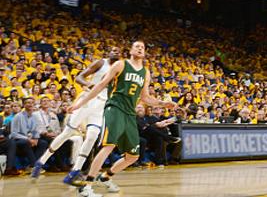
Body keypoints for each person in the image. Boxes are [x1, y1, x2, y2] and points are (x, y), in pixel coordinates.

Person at [68, 41, 177, 197]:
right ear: (131, 50)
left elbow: (145, 97)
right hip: (114, 108)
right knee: (108, 146)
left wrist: (162, 103)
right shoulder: (120, 65)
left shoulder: (145, 72)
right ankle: (86, 186)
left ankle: (105, 177)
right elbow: (100, 85)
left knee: (133, 156)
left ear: (145, 53)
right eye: (137, 46)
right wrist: (80, 103)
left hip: (129, 113)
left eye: (143, 47)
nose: (140, 48)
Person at [31, 46, 121, 183]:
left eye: (119, 52)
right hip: (87, 99)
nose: (116, 52)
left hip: (101, 104)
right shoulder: (100, 63)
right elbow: (79, 77)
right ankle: (40, 162)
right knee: (67, 132)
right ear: (108, 52)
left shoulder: (119, 71)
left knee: (92, 137)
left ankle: (75, 171)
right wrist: (91, 86)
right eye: (114, 50)